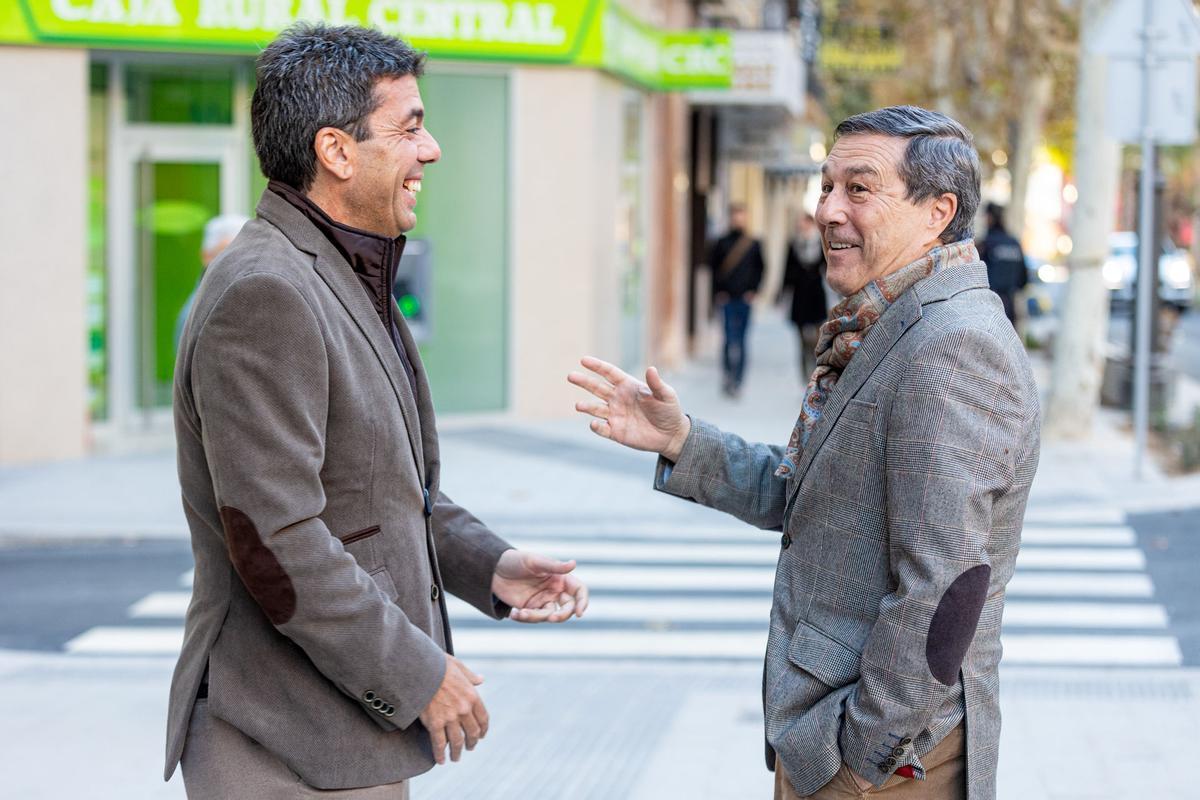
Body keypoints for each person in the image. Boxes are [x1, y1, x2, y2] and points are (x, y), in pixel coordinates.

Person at [165, 24, 588, 799]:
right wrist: (417, 672)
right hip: (278, 742)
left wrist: (490, 567)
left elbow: (379, 488)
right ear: (336, 151)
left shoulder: (339, 271)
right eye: (412, 127)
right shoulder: (267, 292)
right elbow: (275, 538)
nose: (431, 151)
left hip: (336, 736)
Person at [570, 106, 1040, 800]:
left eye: (858, 188)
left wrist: (857, 759)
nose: (827, 210)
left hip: (887, 765)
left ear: (937, 211)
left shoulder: (951, 346)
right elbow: (817, 495)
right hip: (834, 739)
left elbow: (943, 590)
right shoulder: (885, 322)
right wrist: (682, 440)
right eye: (825, 187)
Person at [708, 203, 765, 397]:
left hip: (744, 299)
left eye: (741, 215)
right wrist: (718, 292)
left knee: (741, 340)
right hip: (726, 299)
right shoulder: (721, 242)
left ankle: (738, 380)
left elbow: (761, 269)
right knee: (727, 338)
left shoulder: (753, 243)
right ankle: (726, 375)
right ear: (730, 218)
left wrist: (754, 291)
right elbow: (713, 270)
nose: (738, 219)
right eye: (735, 216)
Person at [174, 213, 250, 350]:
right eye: (229, 253)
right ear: (206, 256)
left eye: (246, 253)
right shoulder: (197, 316)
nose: (239, 262)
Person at [779, 211, 830, 380]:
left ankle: (815, 371)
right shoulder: (793, 244)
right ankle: (804, 374)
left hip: (815, 294)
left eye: (804, 223)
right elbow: (786, 271)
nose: (801, 227)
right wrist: (781, 294)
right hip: (799, 295)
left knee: (817, 337)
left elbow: (828, 268)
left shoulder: (821, 244)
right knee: (800, 337)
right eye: (799, 224)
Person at [978, 202, 1027, 325]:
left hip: (988, 308)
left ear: (990, 218)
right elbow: (1023, 280)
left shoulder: (986, 244)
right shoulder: (1014, 243)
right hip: (1010, 307)